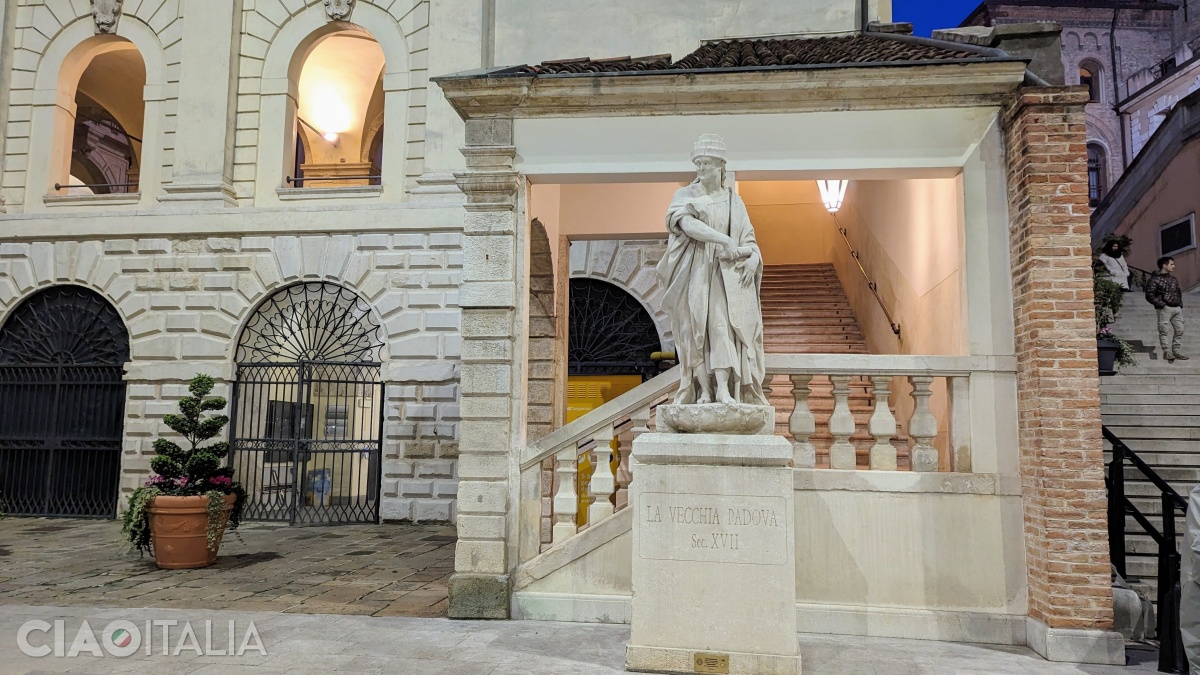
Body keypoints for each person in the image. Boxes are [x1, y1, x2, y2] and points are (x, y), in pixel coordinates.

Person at [656, 133, 768, 406]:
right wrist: (723, 239)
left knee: (720, 328)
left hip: (724, 275)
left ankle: (722, 390)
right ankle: (702, 390)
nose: (701, 169)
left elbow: (749, 240)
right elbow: (688, 225)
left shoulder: (734, 201)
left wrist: (753, 258)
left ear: (720, 166)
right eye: (698, 164)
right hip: (694, 272)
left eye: (706, 163)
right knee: (695, 328)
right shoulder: (684, 195)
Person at [1146, 256, 1188, 362]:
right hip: (1165, 308)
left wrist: (1180, 304)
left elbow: (1178, 291)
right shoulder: (1154, 279)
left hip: (1176, 307)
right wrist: (1162, 304)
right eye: (1171, 264)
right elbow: (1149, 295)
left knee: (1180, 329)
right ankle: (1167, 351)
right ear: (1164, 265)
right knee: (1164, 330)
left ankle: (1176, 350)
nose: (1174, 266)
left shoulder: (1173, 279)